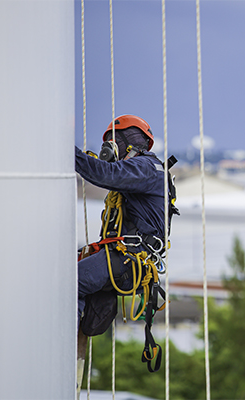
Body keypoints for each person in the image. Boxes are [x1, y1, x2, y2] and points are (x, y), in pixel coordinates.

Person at [75, 115, 178, 329]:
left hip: (128, 259)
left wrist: (66, 152)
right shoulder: (145, 171)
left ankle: (61, 339)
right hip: (126, 259)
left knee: (68, 282)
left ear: (123, 144)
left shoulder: (145, 168)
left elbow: (105, 174)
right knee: (72, 273)